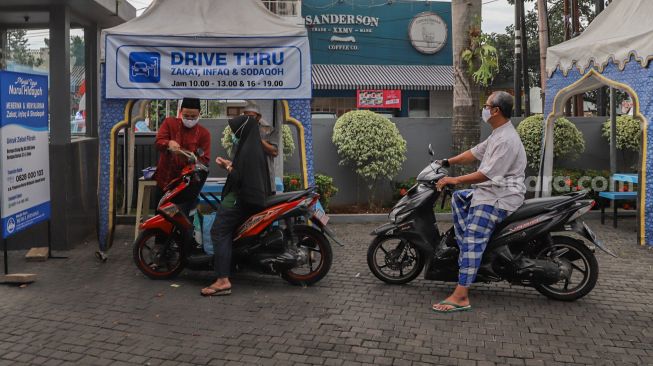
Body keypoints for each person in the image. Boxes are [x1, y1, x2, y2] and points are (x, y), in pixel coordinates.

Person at [432, 91, 527, 313]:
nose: (483, 109)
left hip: (500, 198)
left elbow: (486, 174)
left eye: (486, 106)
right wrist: (446, 161)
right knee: (459, 197)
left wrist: (454, 178)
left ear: (496, 111)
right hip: (490, 192)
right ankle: (470, 253)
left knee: (473, 239)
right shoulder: (497, 134)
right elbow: (474, 153)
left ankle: (461, 295)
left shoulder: (506, 139)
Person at [201, 114, 271, 296]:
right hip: (246, 197)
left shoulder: (248, 150)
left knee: (218, 231)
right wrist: (230, 165)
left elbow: (240, 177)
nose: (234, 135)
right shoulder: (251, 146)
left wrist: (228, 168)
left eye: (235, 131)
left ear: (243, 131)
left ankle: (223, 280)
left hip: (238, 199)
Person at [154, 97, 211, 194]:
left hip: (188, 184)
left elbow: (205, 160)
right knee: (162, 208)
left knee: (184, 208)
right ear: (181, 112)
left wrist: (189, 156)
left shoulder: (204, 133)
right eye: (186, 116)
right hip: (165, 179)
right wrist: (168, 143)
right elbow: (158, 143)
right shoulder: (169, 123)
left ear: (199, 113)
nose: (189, 119)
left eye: (193, 117)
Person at [243, 102, 279, 193]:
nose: (248, 119)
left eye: (251, 116)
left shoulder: (269, 129)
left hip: (265, 178)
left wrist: (258, 138)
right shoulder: (241, 130)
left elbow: (274, 152)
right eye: (246, 116)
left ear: (258, 117)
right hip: (247, 179)